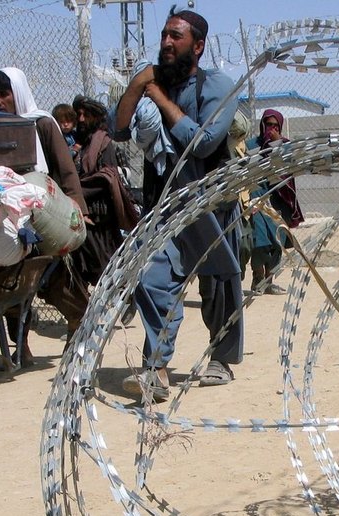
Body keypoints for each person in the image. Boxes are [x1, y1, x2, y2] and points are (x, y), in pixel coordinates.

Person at [113, 7, 242, 401]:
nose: (167, 43)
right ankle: (157, 369)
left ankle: (220, 356)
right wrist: (138, 86)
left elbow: (202, 140)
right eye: (165, 35)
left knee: (219, 281)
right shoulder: (154, 81)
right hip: (166, 204)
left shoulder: (218, 86)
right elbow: (117, 129)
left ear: (198, 46)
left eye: (176, 37)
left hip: (209, 201)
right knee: (153, 278)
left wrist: (157, 97)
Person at [0, 67, 90, 365]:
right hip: (12, 216)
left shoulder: (42, 123)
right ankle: (22, 347)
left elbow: (64, 169)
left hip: (47, 215)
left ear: (17, 93)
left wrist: (76, 210)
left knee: (58, 281)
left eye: (4, 94)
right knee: (10, 283)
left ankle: (77, 328)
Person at [70, 94, 139, 293]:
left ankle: (126, 297)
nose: (81, 119)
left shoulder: (104, 143)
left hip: (101, 217)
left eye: (86, 115)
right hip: (84, 215)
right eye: (79, 115)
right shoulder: (80, 146)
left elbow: (106, 178)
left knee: (106, 267)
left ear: (96, 117)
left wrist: (77, 190)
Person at [243, 108, 304, 295]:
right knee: (260, 240)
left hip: (278, 200)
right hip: (258, 198)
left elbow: (285, 175)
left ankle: (269, 281)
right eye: (268, 125)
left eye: (275, 126)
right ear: (262, 125)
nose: (271, 128)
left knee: (278, 240)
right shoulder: (252, 145)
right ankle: (258, 279)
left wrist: (276, 146)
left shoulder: (284, 146)